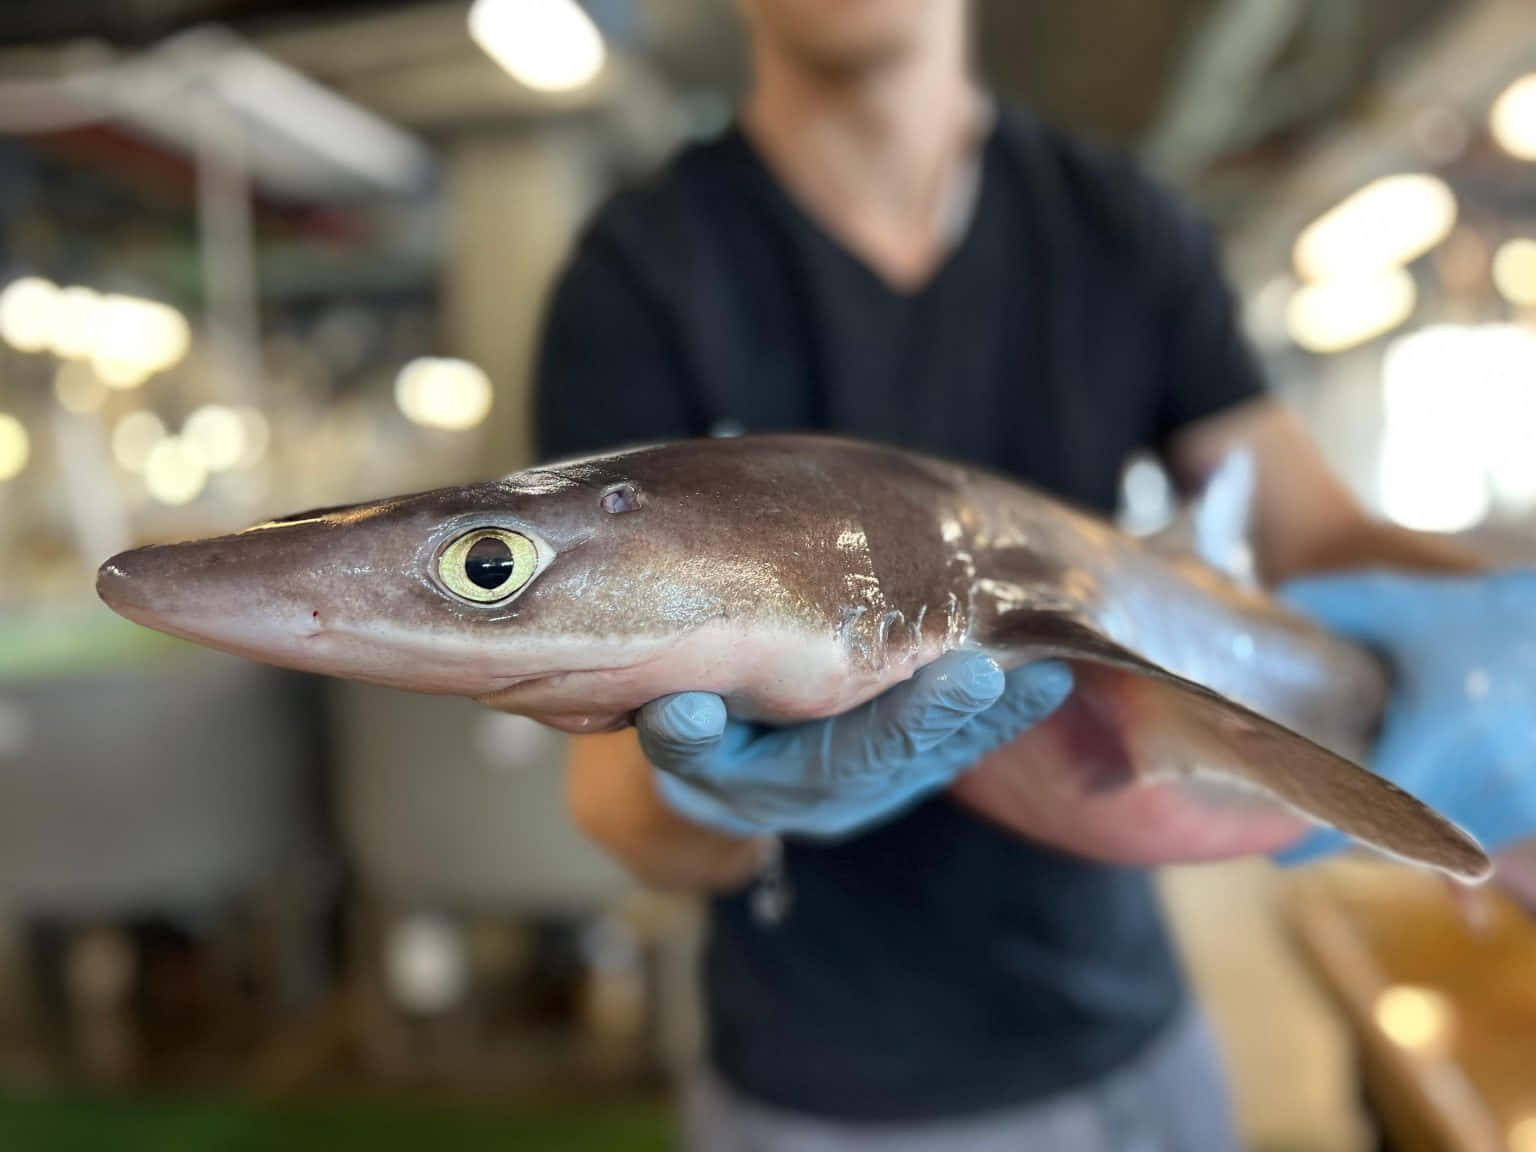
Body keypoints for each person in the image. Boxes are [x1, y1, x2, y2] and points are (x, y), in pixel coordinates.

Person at [532, 2, 1536, 1148]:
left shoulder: (1119, 222)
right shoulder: (642, 272)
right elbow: (613, 803)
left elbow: (1317, 534)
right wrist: (725, 797)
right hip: (830, 1080)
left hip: (1134, 1031)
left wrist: (1509, 654)